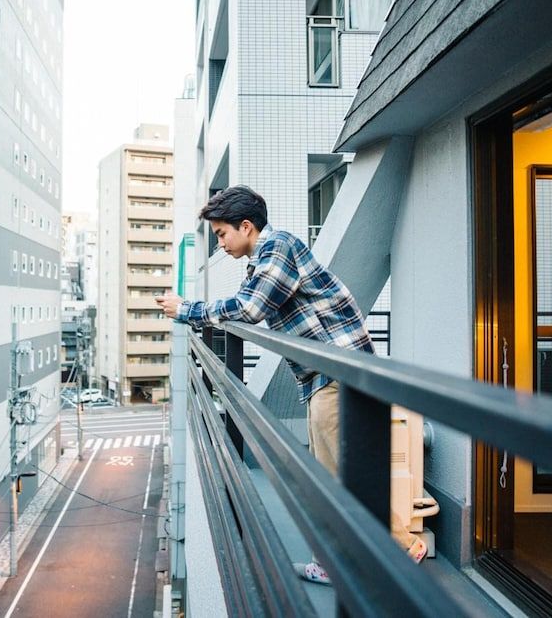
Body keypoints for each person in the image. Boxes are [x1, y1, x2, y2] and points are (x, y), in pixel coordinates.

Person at [155, 185, 426, 585]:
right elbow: (250, 302)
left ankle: (395, 552)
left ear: (246, 226)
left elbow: (249, 308)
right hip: (332, 375)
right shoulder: (265, 257)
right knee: (336, 476)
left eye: (221, 234)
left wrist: (186, 311)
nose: (221, 244)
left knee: (337, 480)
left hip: (338, 376)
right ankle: (358, 556)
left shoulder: (278, 247)